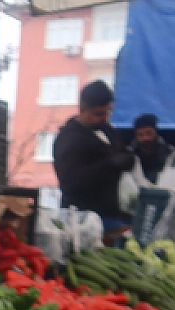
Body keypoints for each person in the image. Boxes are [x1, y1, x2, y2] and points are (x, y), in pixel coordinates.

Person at [54, 80, 135, 235]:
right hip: (84, 220)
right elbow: (69, 182)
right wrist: (108, 164)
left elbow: (122, 152)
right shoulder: (69, 139)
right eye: (99, 113)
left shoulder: (108, 130)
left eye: (108, 112)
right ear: (83, 109)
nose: (104, 117)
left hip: (115, 214)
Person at [127, 114, 175, 192]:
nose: (145, 138)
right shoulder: (128, 155)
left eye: (149, 133)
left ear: (155, 132)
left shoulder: (173, 155)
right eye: (140, 135)